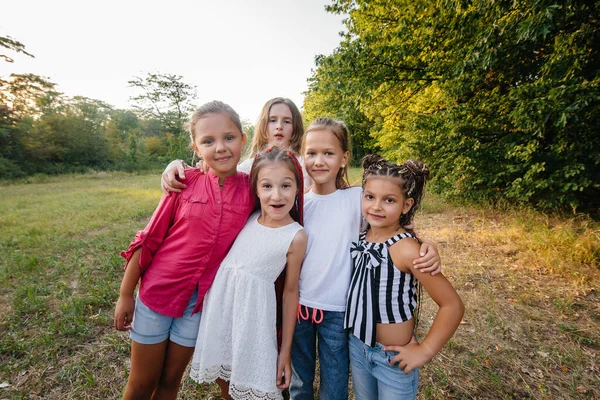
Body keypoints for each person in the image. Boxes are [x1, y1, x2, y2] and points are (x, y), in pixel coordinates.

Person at [290, 118, 442, 400]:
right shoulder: (296, 201)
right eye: (311, 153)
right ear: (302, 156)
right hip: (299, 306)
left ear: (344, 158)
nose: (319, 161)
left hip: (338, 310)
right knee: (300, 380)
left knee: (334, 383)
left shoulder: (357, 198)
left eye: (328, 153)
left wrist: (427, 246)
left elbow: (395, 226)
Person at [113, 100, 254, 400]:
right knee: (141, 383)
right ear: (196, 147)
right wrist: (126, 295)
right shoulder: (183, 182)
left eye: (229, 137)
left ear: (243, 140)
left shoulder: (252, 189)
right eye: (208, 141)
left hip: (198, 305)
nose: (220, 148)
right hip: (157, 295)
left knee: (169, 381)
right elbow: (148, 240)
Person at [189, 146, 307, 400]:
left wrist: (284, 351)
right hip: (221, 312)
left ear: (298, 188)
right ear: (255, 189)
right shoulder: (248, 217)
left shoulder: (295, 235)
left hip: (252, 321)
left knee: (253, 386)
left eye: (286, 186)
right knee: (225, 382)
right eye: (267, 186)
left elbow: (290, 292)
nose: (276, 195)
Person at [345, 155, 464, 399]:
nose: (376, 207)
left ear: (406, 205)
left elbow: (452, 305)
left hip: (393, 358)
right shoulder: (359, 235)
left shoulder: (407, 249)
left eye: (389, 200)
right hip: (358, 347)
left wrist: (425, 350)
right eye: (370, 197)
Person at [160, 97, 312, 192]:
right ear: (264, 126)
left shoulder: (305, 164)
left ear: (295, 127)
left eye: (287, 121)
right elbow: (221, 176)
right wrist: (175, 163)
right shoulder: (250, 165)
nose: (279, 126)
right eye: (273, 120)